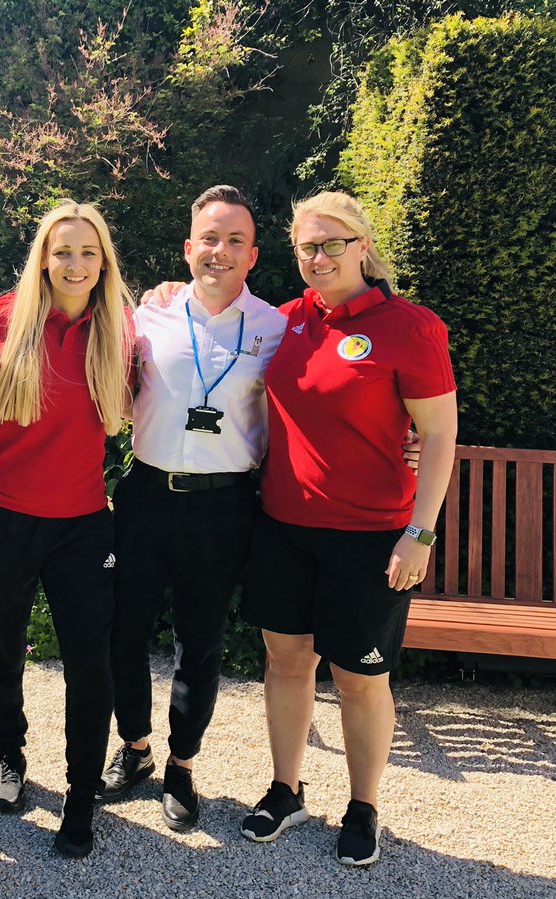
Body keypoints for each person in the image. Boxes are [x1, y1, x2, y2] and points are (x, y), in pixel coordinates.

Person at [238, 190, 457, 866]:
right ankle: (286, 786)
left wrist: (419, 533)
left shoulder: (408, 326)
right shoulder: (282, 321)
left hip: (370, 538)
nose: (320, 256)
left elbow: (440, 433)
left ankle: (364, 805)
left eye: (334, 242)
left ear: (362, 245)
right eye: (308, 245)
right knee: (285, 661)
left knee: (360, 678)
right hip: (283, 526)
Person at [101, 185, 288, 831]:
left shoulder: (275, 326)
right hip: (147, 495)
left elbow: (327, 399)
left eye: (235, 240)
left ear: (253, 254)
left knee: (199, 643)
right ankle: (135, 747)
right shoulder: (145, 317)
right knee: (123, 629)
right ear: (188, 248)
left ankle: (182, 762)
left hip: (224, 504)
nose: (221, 250)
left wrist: (405, 439)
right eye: (210, 237)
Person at [0, 202, 134, 858]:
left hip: (82, 527)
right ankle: (9, 755)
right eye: (63, 251)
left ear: (103, 263)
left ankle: (81, 796)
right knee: (0, 654)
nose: (75, 264)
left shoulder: (118, 332)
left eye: (88, 253)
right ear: (43, 256)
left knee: (91, 665)